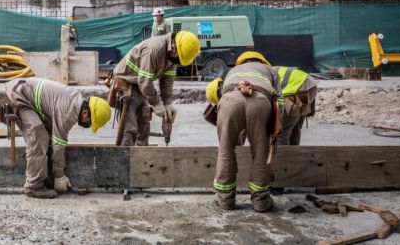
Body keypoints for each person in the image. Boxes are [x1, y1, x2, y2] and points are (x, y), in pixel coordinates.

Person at [4, 77, 111, 199]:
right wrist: (60, 176)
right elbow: (58, 146)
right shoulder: (68, 113)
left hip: (24, 92)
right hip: (19, 95)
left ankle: (46, 177)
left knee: (48, 135)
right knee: (39, 137)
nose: (88, 125)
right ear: (85, 113)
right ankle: (34, 186)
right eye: (90, 122)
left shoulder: (76, 100)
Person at [212, 51, 282, 212]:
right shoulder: (270, 71)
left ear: (241, 62)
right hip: (261, 102)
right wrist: (275, 129)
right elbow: (280, 102)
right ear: (263, 61)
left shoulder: (233, 70)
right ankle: (261, 201)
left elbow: (222, 96)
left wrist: (238, 134)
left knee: (225, 149)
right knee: (261, 152)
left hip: (230, 100)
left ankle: (225, 200)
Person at [112, 31, 200, 146]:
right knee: (129, 129)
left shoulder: (173, 57)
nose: (178, 61)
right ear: (174, 47)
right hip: (125, 83)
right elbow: (144, 80)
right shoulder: (154, 49)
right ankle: (124, 160)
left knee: (144, 127)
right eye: (179, 57)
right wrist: (157, 104)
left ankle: (142, 160)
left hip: (140, 87)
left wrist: (167, 103)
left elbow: (167, 81)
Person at [273, 66, 317, 145]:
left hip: (301, 90)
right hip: (310, 86)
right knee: (295, 127)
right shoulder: (270, 69)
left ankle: (282, 156)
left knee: (281, 132)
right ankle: (294, 154)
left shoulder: (263, 75)